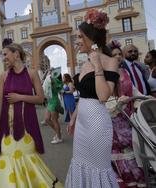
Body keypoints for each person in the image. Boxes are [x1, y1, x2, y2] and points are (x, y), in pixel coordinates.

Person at [0, 39, 63, 187]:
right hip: (7, 129)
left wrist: (20, 97)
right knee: (7, 158)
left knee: (28, 159)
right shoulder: (3, 76)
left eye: (6, 54)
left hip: (27, 129)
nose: (4, 58)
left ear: (16, 54)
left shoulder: (32, 73)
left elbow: (40, 98)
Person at [65, 9, 120, 187]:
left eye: (80, 37)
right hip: (82, 125)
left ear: (91, 37)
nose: (77, 41)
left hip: (98, 125)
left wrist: (97, 63)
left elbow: (104, 95)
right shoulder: (84, 63)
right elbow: (84, 97)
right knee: (80, 164)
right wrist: (73, 118)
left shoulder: (109, 61)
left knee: (98, 167)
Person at [106, 40, 146, 187]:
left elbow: (134, 91)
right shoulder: (106, 75)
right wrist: (116, 104)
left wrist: (143, 100)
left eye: (119, 54)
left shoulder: (125, 72)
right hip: (113, 121)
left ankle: (136, 182)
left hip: (128, 118)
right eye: (114, 54)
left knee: (132, 152)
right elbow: (103, 98)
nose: (117, 57)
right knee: (119, 154)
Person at [43, 68, 63, 144]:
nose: (51, 73)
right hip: (50, 102)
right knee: (47, 119)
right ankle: (58, 132)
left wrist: (52, 84)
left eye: (53, 73)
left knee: (54, 120)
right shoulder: (50, 79)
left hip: (54, 102)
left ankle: (59, 137)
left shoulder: (57, 81)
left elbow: (57, 89)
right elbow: (44, 80)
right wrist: (48, 71)